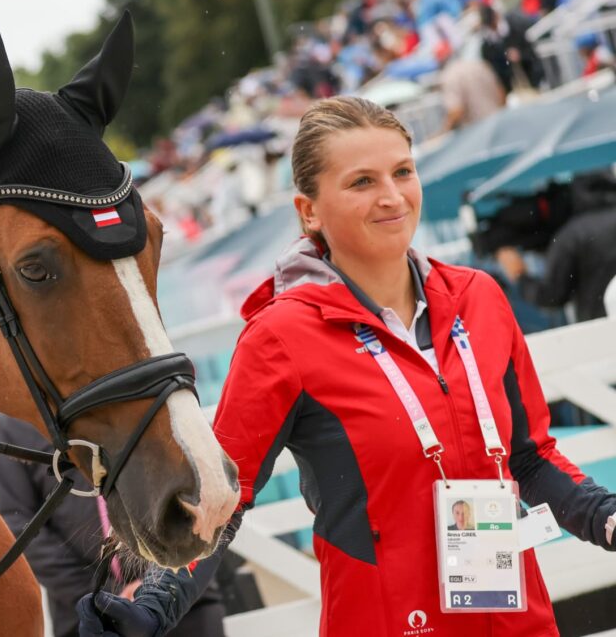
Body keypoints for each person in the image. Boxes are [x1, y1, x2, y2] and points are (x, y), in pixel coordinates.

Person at [78, 96, 616, 637]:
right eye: (362, 182)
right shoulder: (279, 337)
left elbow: (529, 458)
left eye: (402, 172)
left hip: (520, 624)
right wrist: (152, 607)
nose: (392, 196)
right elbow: (224, 504)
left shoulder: (479, 298)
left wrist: (605, 516)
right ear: (308, 211)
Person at [0, 415, 226, 637]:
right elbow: (20, 524)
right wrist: (103, 594)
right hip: (86, 617)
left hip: (183, 605)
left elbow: (194, 487)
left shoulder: (134, 387)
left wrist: (155, 587)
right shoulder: (13, 426)